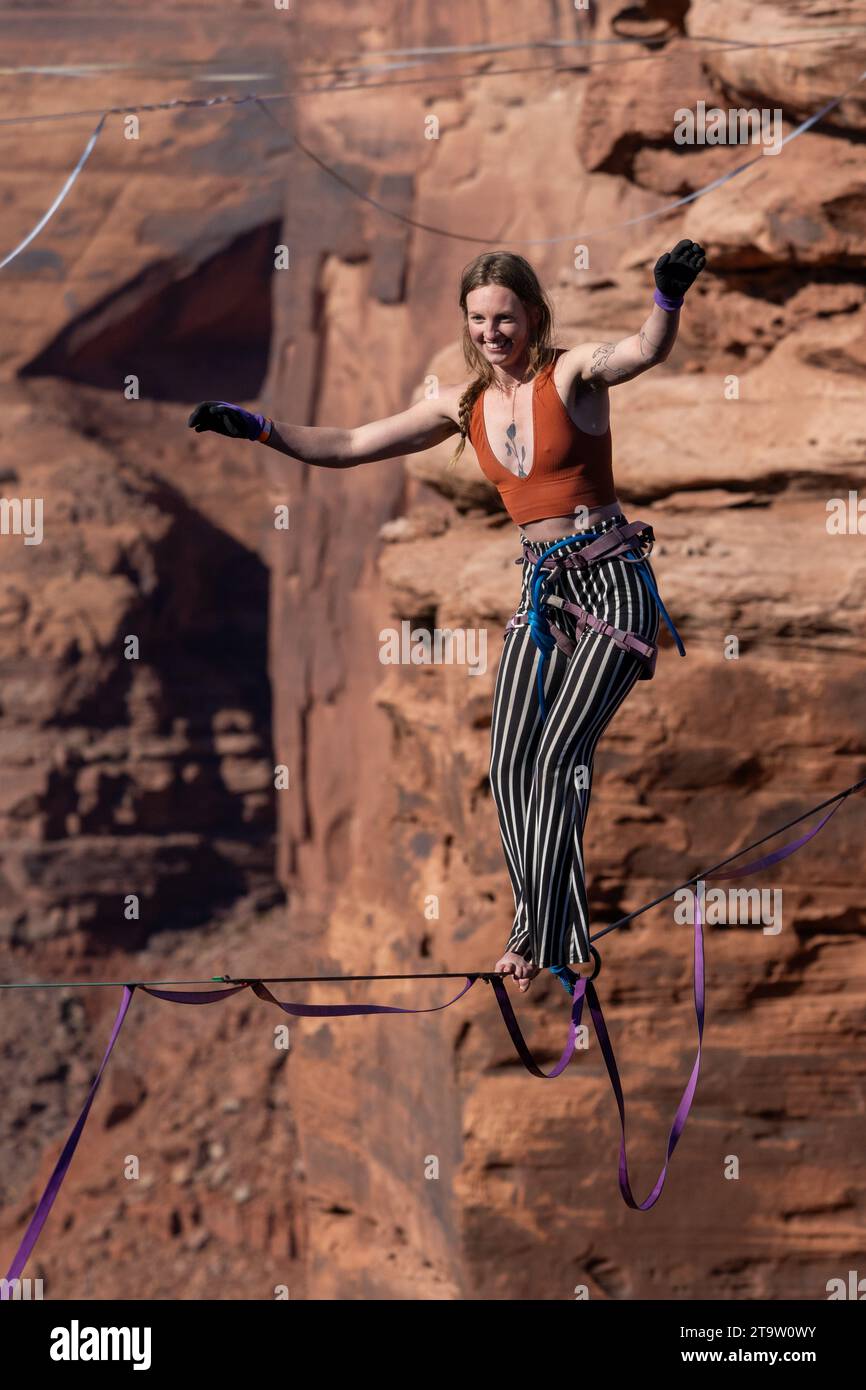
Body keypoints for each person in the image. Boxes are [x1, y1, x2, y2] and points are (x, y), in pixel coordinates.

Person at [188, 239, 706, 995]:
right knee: (506, 767)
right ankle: (540, 925)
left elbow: (641, 352)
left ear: (532, 315)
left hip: (612, 588)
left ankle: (544, 934)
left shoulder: (572, 373)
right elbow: (352, 444)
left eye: (505, 318)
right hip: (544, 601)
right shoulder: (460, 406)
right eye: (478, 319)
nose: (491, 332)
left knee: (559, 756)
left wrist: (666, 299)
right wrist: (261, 429)